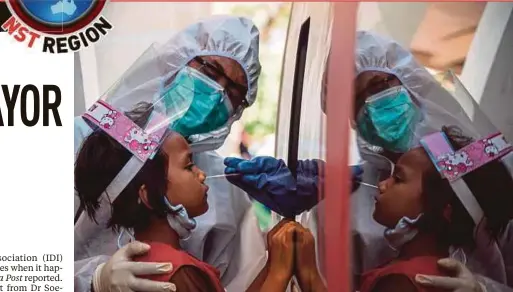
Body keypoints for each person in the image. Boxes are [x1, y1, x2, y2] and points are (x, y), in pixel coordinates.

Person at [223, 30, 513, 291]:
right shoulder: (351, 195)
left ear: (410, 81)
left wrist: (484, 290)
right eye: (356, 100)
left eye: (379, 85)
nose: (371, 105)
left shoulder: (475, 171)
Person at [74, 16, 266, 292]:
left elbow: (243, 280)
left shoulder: (223, 190)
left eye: (234, 90)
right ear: (175, 60)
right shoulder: (76, 140)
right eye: (210, 71)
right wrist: (93, 280)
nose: (217, 93)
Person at [76, 102, 300, 292]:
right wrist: (279, 274)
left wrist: (273, 263)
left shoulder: (150, 262)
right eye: (189, 165)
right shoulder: (175, 272)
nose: (202, 175)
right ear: (148, 196)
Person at [359, 126, 513, 292]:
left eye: (398, 178)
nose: (382, 185)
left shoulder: (406, 280)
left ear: (445, 210)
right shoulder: (418, 268)